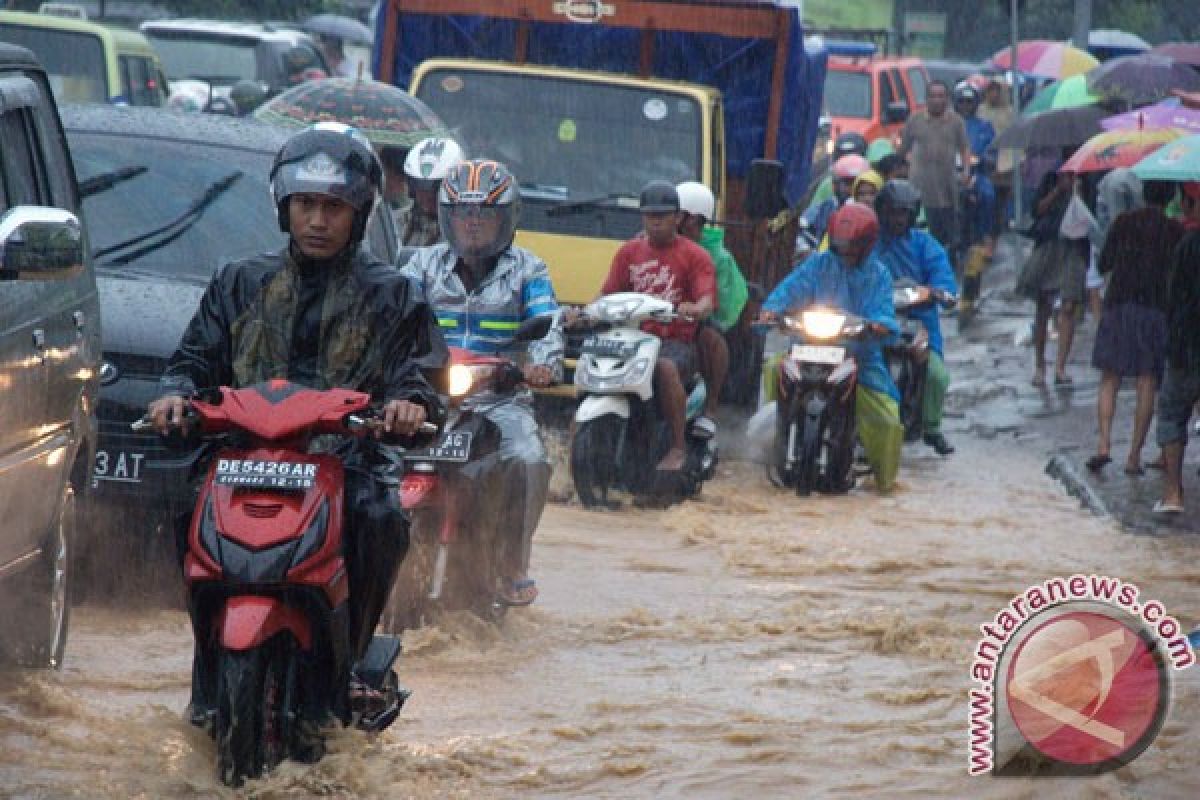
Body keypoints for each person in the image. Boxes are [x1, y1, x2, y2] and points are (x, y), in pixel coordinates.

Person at [146, 122, 447, 718]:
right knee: (182, 506)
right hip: (242, 458)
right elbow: (194, 359)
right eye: (305, 204)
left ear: (358, 215)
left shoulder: (394, 294)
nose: (317, 220)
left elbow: (422, 373)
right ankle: (208, 650)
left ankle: (353, 656)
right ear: (284, 207)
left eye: (333, 207)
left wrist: (411, 405)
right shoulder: (240, 280)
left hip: (349, 459)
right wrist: (175, 394)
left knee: (380, 517)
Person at [400, 158, 563, 607]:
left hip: (500, 399)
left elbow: (547, 324)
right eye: (464, 213)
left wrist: (541, 366)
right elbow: (391, 320)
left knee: (528, 460)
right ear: (447, 217)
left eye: (485, 214)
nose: (473, 224)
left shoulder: (529, 270)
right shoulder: (420, 266)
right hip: (426, 397)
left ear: (505, 220)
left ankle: (512, 564)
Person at [758, 203, 904, 492]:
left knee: (887, 420)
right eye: (840, 245)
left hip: (859, 357)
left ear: (867, 244)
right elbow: (789, 289)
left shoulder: (879, 275)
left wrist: (879, 325)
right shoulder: (817, 264)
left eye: (852, 246)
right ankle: (775, 436)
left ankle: (885, 484)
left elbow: (884, 312)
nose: (846, 252)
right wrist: (771, 311)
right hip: (807, 346)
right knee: (773, 368)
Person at [598, 180, 717, 471]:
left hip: (675, 343)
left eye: (662, 217)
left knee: (664, 367)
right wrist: (585, 313)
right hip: (633, 339)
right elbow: (608, 293)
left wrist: (695, 309)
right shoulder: (628, 253)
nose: (656, 223)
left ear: (678, 218)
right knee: (597, 360)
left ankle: (677, 447)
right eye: (650, 217)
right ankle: (578, 445)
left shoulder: (695, 255)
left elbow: (706, 300)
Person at [1087, 181, 1183, 476]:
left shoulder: (1123, 222)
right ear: (1170, 197)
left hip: (1119, 305)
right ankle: (1133, 456)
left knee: (1110, 379)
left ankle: (1103, 444)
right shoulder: (1175, 232)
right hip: (1155, 311)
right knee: (1147, 383)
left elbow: (1103, 264)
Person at [872, 180, 959, 455]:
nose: (897, 219)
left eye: (903, 213)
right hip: (876, 321)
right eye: (892, 212)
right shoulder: (869, 242)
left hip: (918, 323)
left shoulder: (925, 245)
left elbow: (944, 279)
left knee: (936, 375)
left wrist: (938, 292)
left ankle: (931, 428)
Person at [676, 180, 749, 434]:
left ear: (694, 221)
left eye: (677, 215)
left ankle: (710, 406)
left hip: (692, 324)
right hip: (652, 320)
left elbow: (722, 307)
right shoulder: (645, 244)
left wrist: (697, 310)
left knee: (712, 339)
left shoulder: (715, 258)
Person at [1017, 165, 1089, 388]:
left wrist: (1078, 193)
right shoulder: (1049, 179)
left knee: (1068, 306)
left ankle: (1060, 367)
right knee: (1043, 307)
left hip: (1074, 248)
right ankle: (1040, 365)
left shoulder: (1086, 184)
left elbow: (1091, 217)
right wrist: (1058, 190)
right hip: (1049, 246)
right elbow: (1036, 211)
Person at [1154, 181, 1200, 515]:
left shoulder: (1186, 247)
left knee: (1172, 415)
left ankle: (1173, 493)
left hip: (1186, 349)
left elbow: (1171, 300)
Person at [897, 80, 972, 255]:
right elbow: (902, 150)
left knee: (948, 234)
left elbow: (964, 147)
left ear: (947, 99)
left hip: (946, 188)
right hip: (920, 187)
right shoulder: (915, 120)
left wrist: (966, 171)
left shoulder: (956, 122)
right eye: (933, 96)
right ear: (926, 99)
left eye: (941, 96)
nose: (937, 100)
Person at [952, 81, 997, 258]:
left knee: (988, 195)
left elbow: (992, 151)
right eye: (962, 101)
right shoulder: (948, 123)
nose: (965, 106)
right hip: (949, 173)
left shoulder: (984, 127)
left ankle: (985, 236)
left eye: (969, 102)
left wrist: (983, 160)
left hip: (977, 173)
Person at [397, 136, 465, 247]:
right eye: (419, 185)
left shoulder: (467, 231)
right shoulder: (395, 224)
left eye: (436, 188)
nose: (427, 195)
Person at [804, 153, 871, 243]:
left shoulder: (878, 214)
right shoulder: (820, 211)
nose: (854, 188)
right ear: (835, 186)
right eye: (849, 183)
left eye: (860, 184)